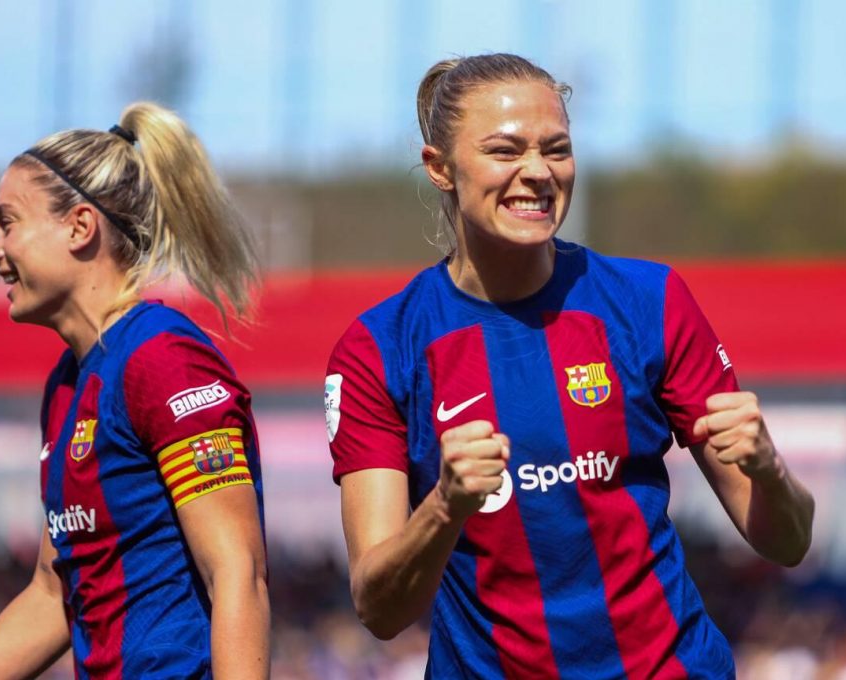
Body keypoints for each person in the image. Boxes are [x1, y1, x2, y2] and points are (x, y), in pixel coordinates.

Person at [326, 53, 814, 679]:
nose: (537, 172)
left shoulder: (649, 301)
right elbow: (378, 607)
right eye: (506, 151)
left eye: (556, 149)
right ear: (439, 169)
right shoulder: (380, 347)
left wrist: (768, 468)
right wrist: (446, 506)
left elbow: (788, 542)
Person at [0, 103, 269, 679]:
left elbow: (236, 572)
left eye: (8, 221)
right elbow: (52, 594)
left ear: (79, 226)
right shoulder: (68, 384)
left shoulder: (164, 358)